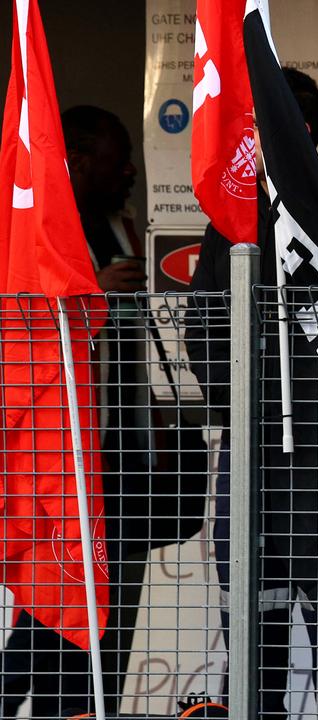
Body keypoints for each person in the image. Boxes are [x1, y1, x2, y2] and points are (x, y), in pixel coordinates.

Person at [184, 67, 318, 719]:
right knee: (249, 617)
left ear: (300, 132)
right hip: (251, 452)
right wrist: (243, 402)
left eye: (258, 128)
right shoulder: (230, 216)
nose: (247, 142)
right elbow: (203, 323)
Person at [0, 105, 143, 719]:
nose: (129, 173)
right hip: (55, 456)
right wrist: (94, 297)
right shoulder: (34, 235)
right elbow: (24, 328)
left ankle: (85, 708)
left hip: (122, 450)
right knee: (51, 603)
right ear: (77, 163)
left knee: (102, 605)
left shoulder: (122, 228)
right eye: (116, 164)